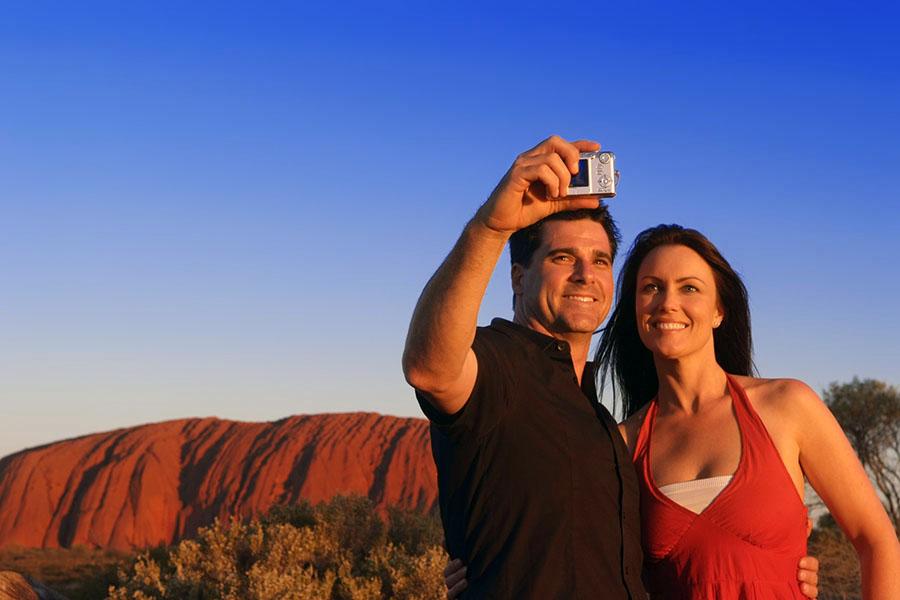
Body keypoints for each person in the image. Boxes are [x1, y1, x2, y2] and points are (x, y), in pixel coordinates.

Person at [403, 135, 820, 598]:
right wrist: (490, 228)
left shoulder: (606, 424)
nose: (585, 275)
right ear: (519, 278)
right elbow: (430, 368)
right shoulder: (498, 369)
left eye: (600, 261)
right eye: (563, 258)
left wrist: (772, 562)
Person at [596, 224, 900, 598]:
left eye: (689, 287)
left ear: (719, 311)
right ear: (635, 309)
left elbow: (877, 542)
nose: (667, 302)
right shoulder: (624, 443)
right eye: (651, 287)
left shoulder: (787, 405)